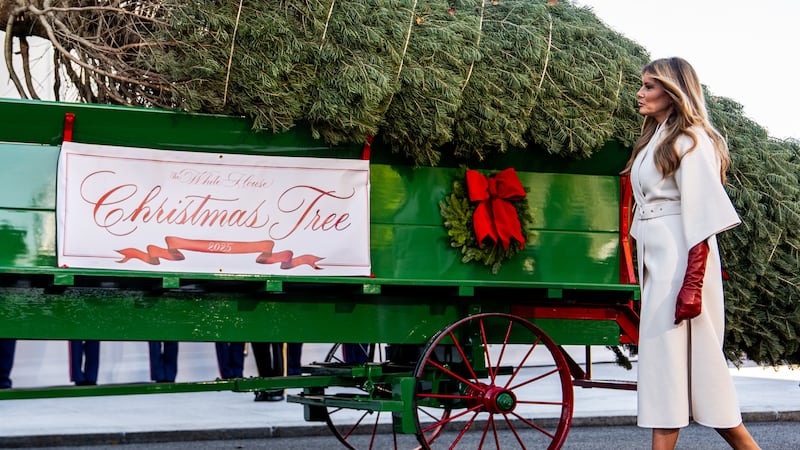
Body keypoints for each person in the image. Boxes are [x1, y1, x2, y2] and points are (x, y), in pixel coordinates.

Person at [623, 57, 760, 450]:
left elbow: (702, 218)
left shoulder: (693, 140)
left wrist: (692, 286)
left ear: (674, 91)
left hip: (683, 267)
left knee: (702, 375)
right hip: (660, 264)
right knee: (665, 375)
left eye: (649, 86)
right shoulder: (657, 139)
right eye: (643, 85)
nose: (640, 92)